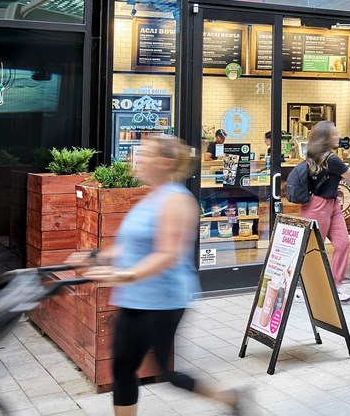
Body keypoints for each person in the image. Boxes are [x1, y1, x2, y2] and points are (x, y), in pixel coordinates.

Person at [67, 135, 245, 415]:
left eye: (146, 154)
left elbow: (168, 254)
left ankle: (228, 398)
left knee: (153, 371)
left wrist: (125, 276)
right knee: (129, 368)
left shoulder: (177, 200)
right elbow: (129, 246)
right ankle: (228, 398)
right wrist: (94, 256)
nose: (138, 159)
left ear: (166, 162)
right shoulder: (149, 197)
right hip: (136, 296)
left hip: (163, 300)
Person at [292, 121, 350, 302]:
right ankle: (304, 287)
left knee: (342, 243)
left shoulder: (323, 157)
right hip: (317, 207)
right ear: (325, 138)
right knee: (313, 249)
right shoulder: (330, 158)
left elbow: (345, 174)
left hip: (332, 205)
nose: (338, 136)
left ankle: (335, 285)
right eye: (334, 134)